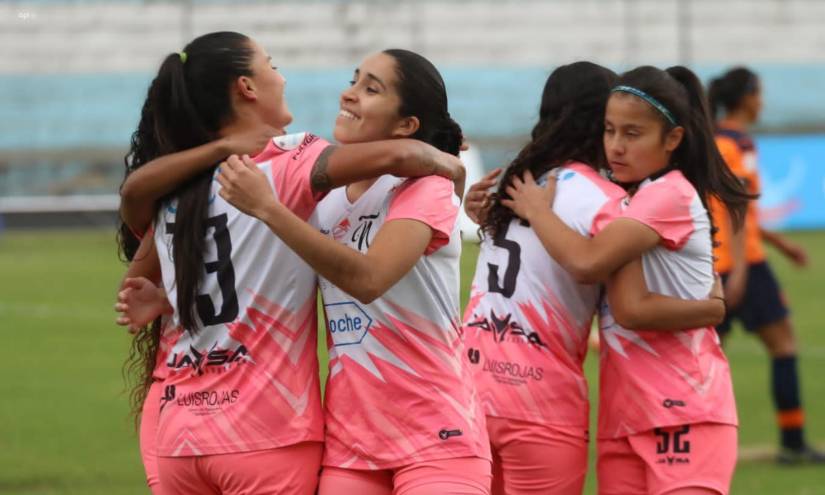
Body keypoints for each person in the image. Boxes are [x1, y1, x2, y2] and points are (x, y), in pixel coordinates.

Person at [114, 32, 465, 494]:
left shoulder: (179, 182)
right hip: (263, 431)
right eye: (272, 65)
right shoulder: (291, 161)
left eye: (369, 86)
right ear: (247, 87)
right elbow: (402, 154)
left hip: (178, 429)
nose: (281, 77)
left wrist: (167, 299)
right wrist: (450, 163)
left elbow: (137, 257)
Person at [215, 49, 492, 495]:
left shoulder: (427, 188)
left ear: (406, 126)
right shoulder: (324, 198)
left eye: (371, 89)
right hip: (352, 445)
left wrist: (268, 208)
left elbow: (369, 279)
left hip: (438, 435)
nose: (349, 94)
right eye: (354, 81)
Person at [461, 62, 726, 495]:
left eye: (629, 132)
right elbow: (617, 293)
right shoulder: (609, 201)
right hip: (539, 398)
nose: (616, 144)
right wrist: (712, 307)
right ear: (597, 121)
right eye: (610, 128)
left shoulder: (518, 182)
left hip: (470, 389)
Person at [708, 67, 824, 464]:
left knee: (708, 358)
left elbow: (738, 209)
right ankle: (792, 442)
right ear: (746, 98)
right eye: (759, 93)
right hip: (742, 264)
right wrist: (742, 268)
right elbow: (738, 207)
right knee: (783, 345)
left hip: (716, 263)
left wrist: (782, 244)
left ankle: (698, 443)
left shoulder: (715, 141)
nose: (762, 101)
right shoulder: (736, 144)